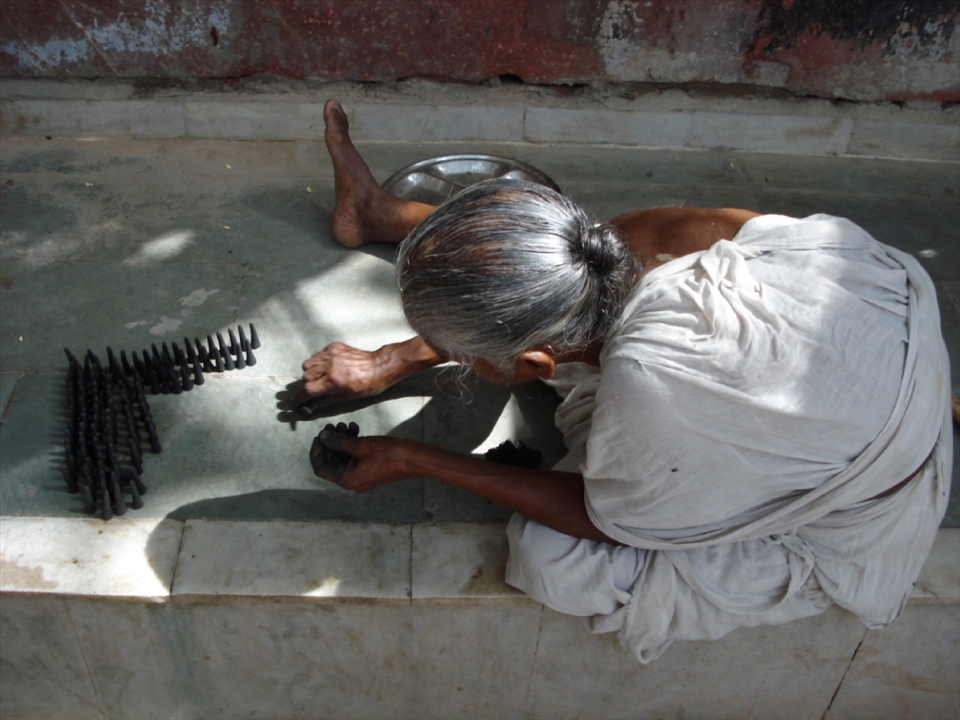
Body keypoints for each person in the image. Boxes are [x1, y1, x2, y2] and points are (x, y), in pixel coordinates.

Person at [304, 100, 952, 662]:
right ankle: (381, 211)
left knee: (551, 558)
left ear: (532, 366)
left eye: (465, 356)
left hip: (857, 507)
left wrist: (413, 457)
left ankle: (387, 217)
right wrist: (396, 357)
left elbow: (604, 520)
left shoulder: (649, 397)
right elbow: (541, 292)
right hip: (899, 349)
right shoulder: (649, 236)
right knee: (580, 336)